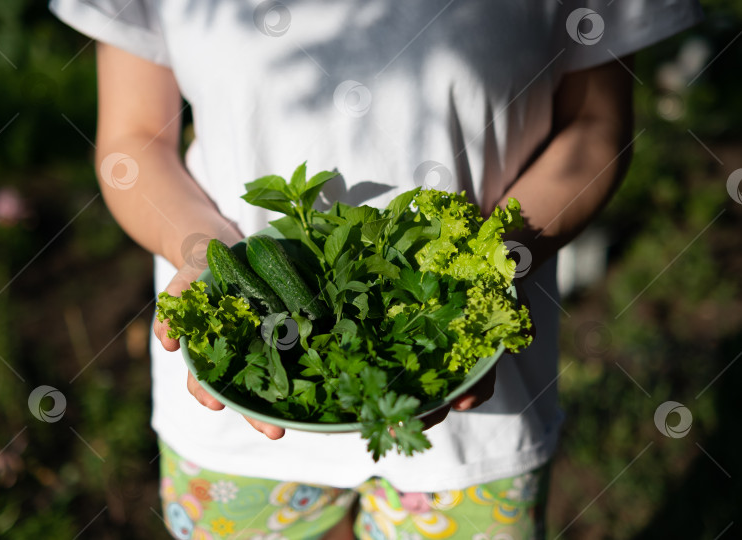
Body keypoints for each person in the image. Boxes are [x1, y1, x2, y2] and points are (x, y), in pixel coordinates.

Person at [50, 1, 703, 538]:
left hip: (475, 409)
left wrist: (492, 265)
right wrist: (209, 259)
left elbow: (595, 125)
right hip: (239, 406)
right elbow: (135, 138)